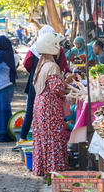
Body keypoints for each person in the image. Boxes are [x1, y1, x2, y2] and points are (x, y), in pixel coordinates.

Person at [19, 25, 71, 143]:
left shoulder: (34, 48)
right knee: (52, 122)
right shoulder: (57, 51)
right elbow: (63, 67)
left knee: (30, 111)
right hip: (51, 91)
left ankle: (22, 137)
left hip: (36, 80)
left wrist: (36, 71)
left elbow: (27, 64)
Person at [32, 33, 75, 177]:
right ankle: (54, 169)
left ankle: (44, 168)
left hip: (40, 105)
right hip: (49, 107)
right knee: (53, 137)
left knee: (43, 137)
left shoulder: (42, 64)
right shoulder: (52, 66)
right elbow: (57, 89)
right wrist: (67, 82)